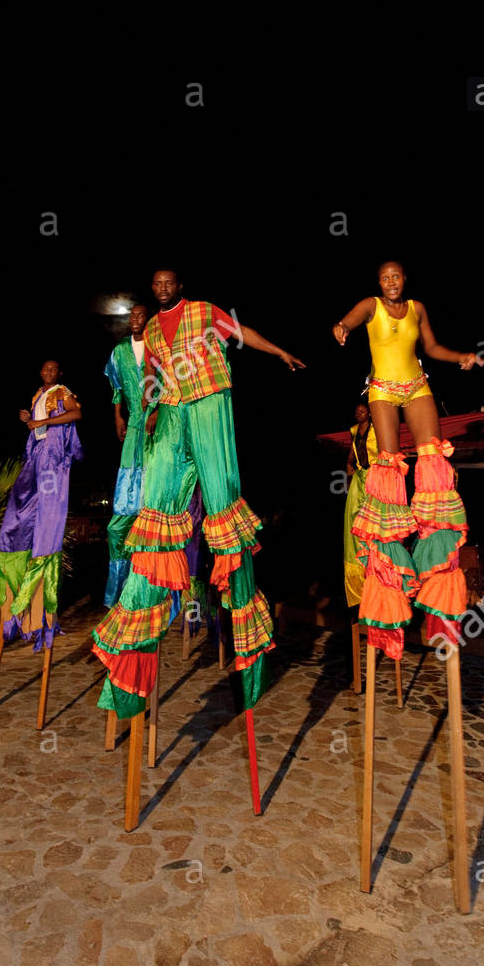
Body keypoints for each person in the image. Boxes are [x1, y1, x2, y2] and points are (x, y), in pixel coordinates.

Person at [93, 268, 304, 718]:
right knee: (157, 509)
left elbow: (240, 331)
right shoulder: (150, 328)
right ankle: (133, 652)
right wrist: (147, 409)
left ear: (180, 287)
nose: (163, 288)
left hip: (209, 402)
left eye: (169, 283)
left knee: (223, 505)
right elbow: (149, 372)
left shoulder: (203, 312)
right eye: (157, 284)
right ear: (153, 290)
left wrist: (279, 350)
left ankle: (249, 652)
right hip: (171, 411)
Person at [333, 260, 484, 658]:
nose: (391, 282)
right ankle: (389, 574)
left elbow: (431, 348)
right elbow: (350, 318)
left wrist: (462, 357)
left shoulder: (418, 308)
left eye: (396, 276)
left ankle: (435, 573)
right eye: (384, 277)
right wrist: (344, 327)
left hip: (417, 384)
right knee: (389, 463)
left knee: (432, 458)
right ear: (378, 283)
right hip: (382, 388)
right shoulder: (371, 305)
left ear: (405, 279)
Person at [0, 359, 83, 649]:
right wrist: (29, 417)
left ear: (59, 373)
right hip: (37, 453)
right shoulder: (37, 394)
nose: (49, 373)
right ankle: (15, 559)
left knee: (48, 510)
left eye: (54, 369)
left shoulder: (62, 391)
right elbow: (37, 425)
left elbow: (75, 414)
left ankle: (41, 596)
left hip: (52, 455)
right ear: (40, 372)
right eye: (45, 369)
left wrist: (43, 421)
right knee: (19, 505)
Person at [103, 303, 150, 605]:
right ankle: (119, 589)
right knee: (121, 515)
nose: (134, 319)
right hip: (133, 421)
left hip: (158, 420)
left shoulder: (156, 343)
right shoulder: (119, 349)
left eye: (140, 315)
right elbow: (116, 386)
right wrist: (118, 417)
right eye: (131, 315)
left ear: (147, 320)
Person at [343, 402, 378, 612]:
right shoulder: (354, 432)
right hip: (360, 478)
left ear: (370, 413)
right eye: (356, 411)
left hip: (375, 476)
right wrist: (350, 477)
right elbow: (350, 459)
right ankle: (359, 582)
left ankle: (377, 574)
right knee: (354, 525)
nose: (359, 413)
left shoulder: (377, 428)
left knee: (373, 524)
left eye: (362, 411)